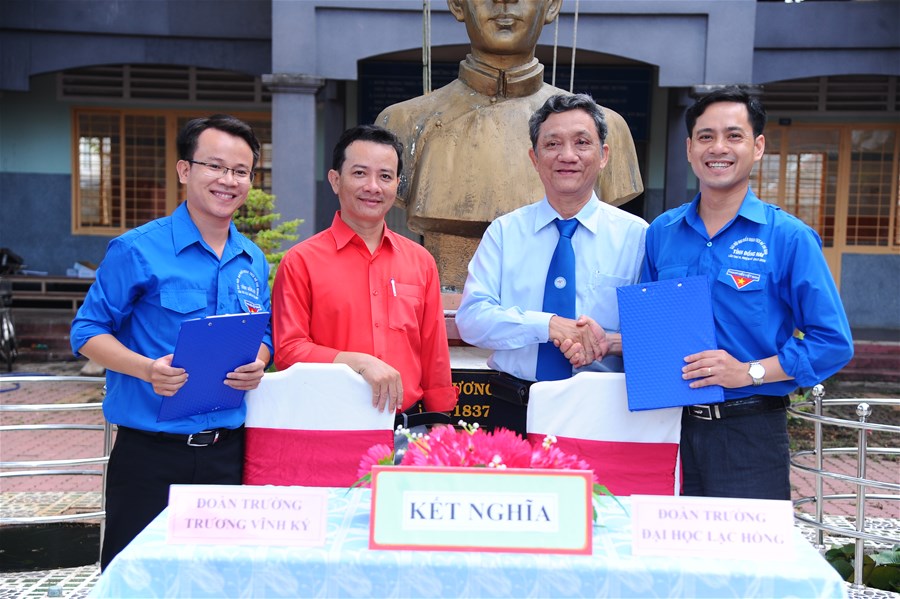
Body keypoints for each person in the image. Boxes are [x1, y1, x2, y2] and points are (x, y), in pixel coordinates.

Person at [70, 114, 273, 569]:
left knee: (215, 580)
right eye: (214, 166)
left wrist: (259, 359)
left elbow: (264, 330)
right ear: (185, 170)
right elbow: (86, 331)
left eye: (240, 171)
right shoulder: (137, 249)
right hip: (150, 456)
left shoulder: (252, 259)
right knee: (136, 580)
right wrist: (146, 369)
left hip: (227, 455)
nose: (228, 180)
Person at [641, 87, 854, 500]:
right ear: (689, 149)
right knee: (669, 541)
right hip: (669, 429)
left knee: (745, 545)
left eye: (733, 135)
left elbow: (833, 343)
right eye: (705, 136)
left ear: (757, 147)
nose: (718, 148)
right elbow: (653, 329)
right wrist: (608, 339)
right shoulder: (662, 233)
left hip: (750, 435)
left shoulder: (789, 238)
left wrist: (748, 372)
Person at [377, 0, 643, 291]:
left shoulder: (608, 128)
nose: (504, 1)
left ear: (552, 6)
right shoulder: (403, 123)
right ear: (457, 5)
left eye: (579, 143)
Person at [455, 93, 648, 431]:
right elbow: (471, 320)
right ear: (534, 158)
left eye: (582, 142)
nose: (567, 155)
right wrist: (548, 325)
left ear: (604, 155)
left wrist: (605, 343)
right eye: (552, 144)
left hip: (602, 413)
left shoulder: (637, 237)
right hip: (513, 408)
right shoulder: (505, 232)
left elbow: (652, 336)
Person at [271, 124, 457, 416]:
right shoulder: (300, 261)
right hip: (327, 421)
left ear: (397, 185)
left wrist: (441, 417)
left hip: (404, 424)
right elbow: (288, 351)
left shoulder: (420, 261)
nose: (373, 187)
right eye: (359, 173)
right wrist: (356, 362)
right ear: (335, 180)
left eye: (385, 176)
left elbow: (434, 350)